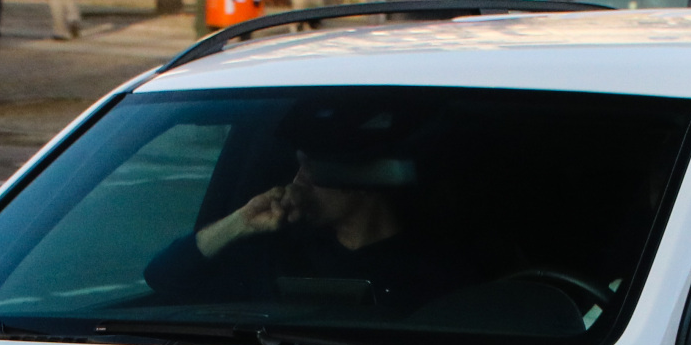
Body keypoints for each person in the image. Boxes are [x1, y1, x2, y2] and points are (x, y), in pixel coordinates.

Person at [141, 103, 461, 315]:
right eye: (298, 169)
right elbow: (163, 278)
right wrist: (239, 222)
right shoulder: (275, 254)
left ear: (365, 177)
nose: (296, 184)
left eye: (312, 171)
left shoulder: (436, 268)